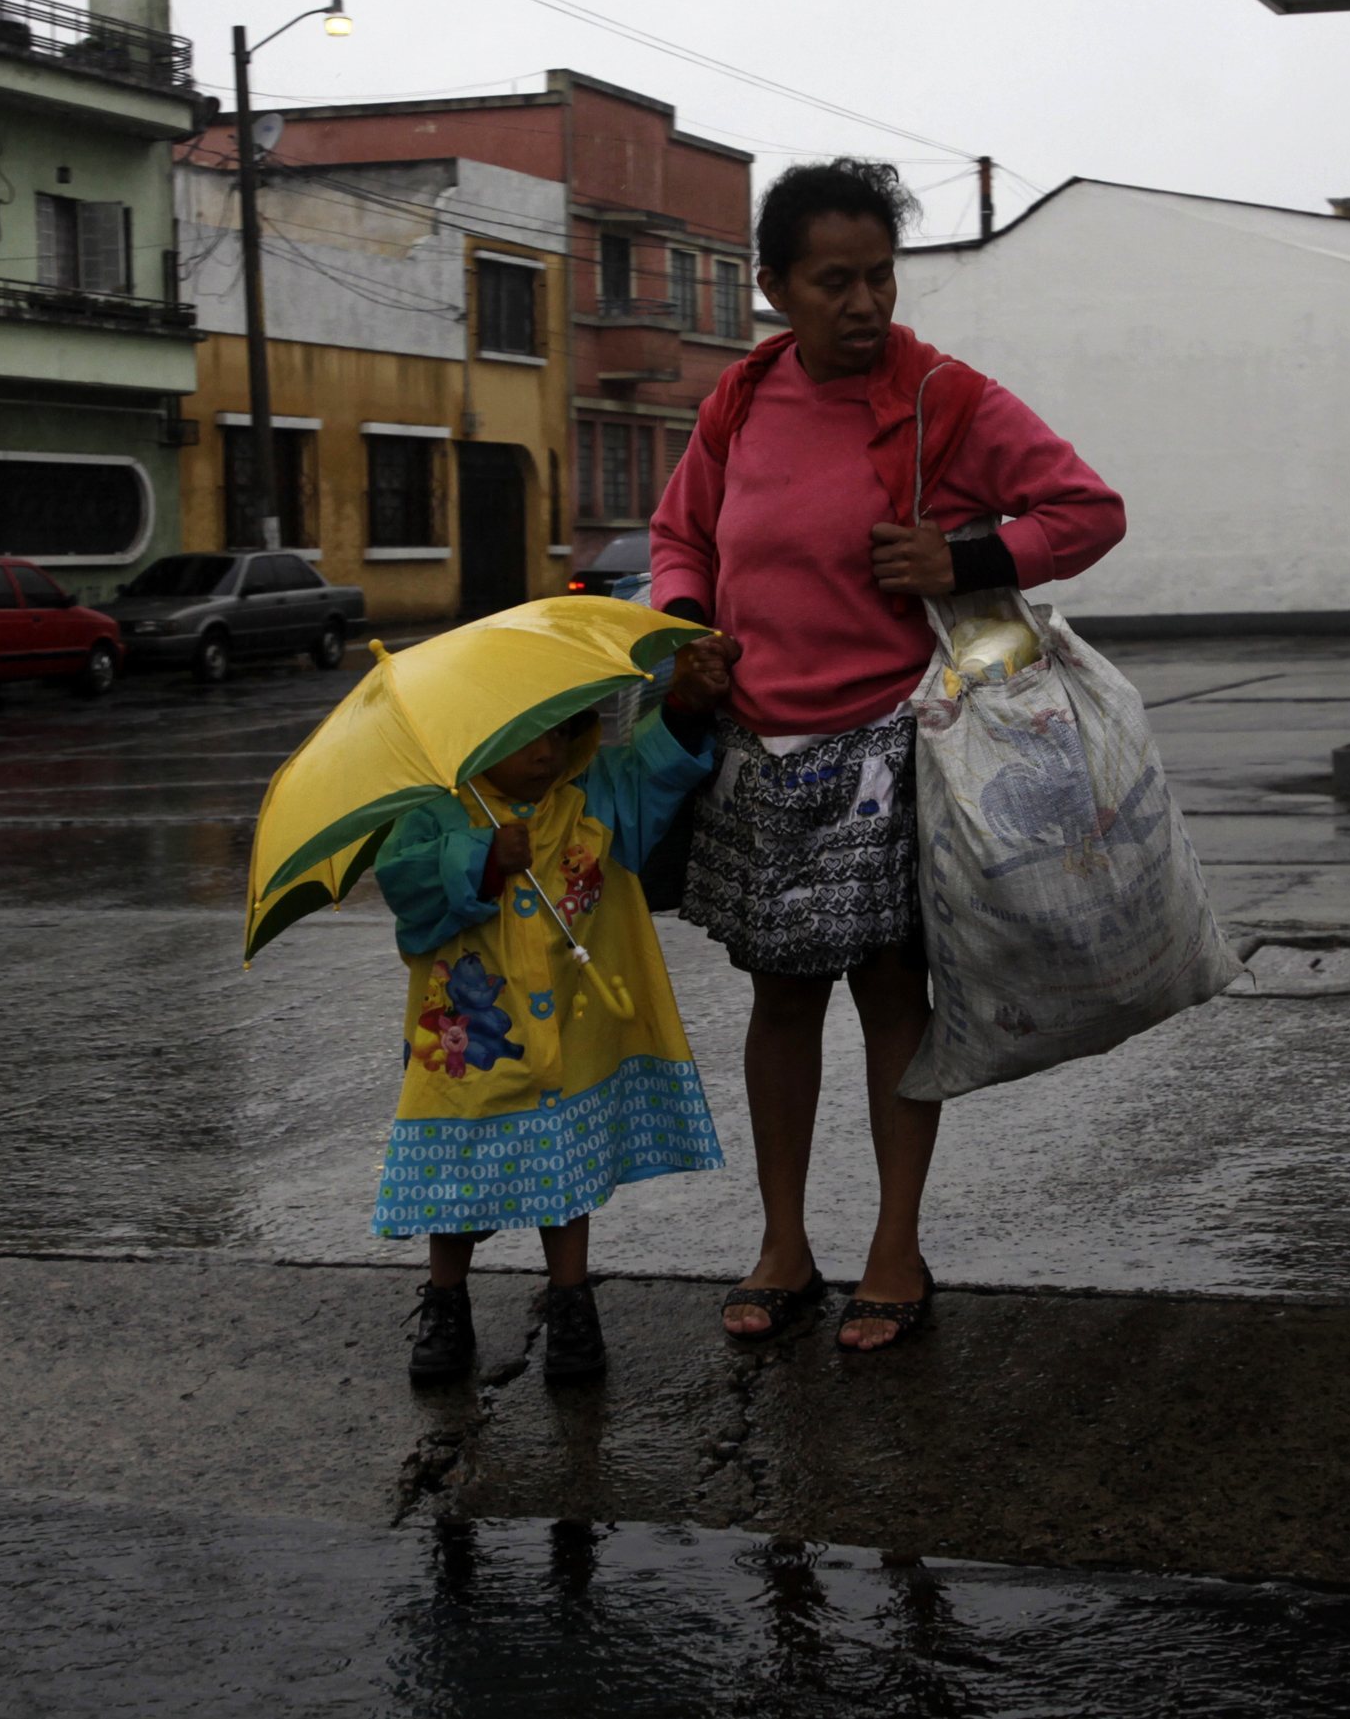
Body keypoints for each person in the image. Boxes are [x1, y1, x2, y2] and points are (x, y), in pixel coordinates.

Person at [651, 158, 1126, 1353]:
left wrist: (965, 557)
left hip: (890, 743)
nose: (865, 304)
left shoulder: (944, 400)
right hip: (760, 748)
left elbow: (1085, 509)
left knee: (890, 998)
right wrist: (685, 626)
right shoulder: (740, 399)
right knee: (779, 998)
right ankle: (782, 1241)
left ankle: (895, 1245)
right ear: (774, 288)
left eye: (879, 278)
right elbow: (681, 534)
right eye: (834, 281)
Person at [372, 633, 742, 1386]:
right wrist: (478, 858)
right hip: (471, 1045)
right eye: (522, 736)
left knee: (567, 1178)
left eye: (558, 729)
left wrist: (687, 703)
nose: (545, 751)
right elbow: (404, 887)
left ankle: (572, 1301)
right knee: (456, 1178)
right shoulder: (440, 811)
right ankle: (447, 1301)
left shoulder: (589, 798)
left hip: (575, 1032)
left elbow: (650, 771)